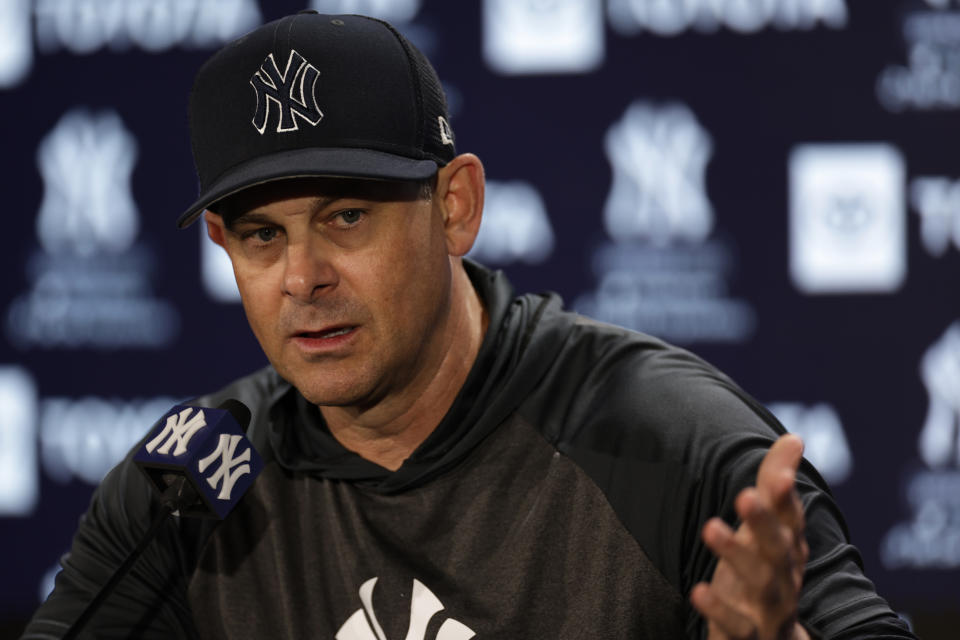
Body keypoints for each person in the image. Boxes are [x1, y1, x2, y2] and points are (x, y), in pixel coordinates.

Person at [24, 11, 914, 639]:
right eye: (263, 236)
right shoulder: (189, 487)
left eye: (346, 218)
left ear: (457, 208)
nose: (302, 279)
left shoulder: (666, 443)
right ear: (223, 245)